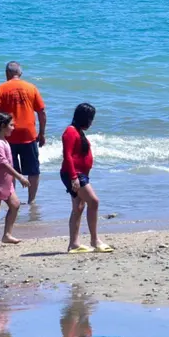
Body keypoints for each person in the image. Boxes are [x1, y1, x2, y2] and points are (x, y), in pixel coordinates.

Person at [0, 62, 47, 204]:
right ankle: (31, 200)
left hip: (9, 136)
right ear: (20, 73)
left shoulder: (1, 89)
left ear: (7, 73)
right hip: (29, 135)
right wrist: (42, 133)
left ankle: (12, 199)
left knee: (10, 170)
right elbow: (41, 113)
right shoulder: (31, 87)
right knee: (33, 170)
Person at [62, 103, 110, 253]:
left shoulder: (78, 131)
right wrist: (74, 177)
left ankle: (74, 244)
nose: (91, 122)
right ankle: (95, 240)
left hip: (80, 174)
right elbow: (67, 156)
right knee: (94, 202)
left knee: (79, 207)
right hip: (74, 174)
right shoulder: (70, 132)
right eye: (90, 118)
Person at [0, 112, 28, 246]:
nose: (13, 128)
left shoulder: (4, 141)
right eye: (11, 125)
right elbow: (3, 164)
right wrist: (19, 177)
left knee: (15, 204)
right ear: (3, 126)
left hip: (5, 182)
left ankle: (7, 235)